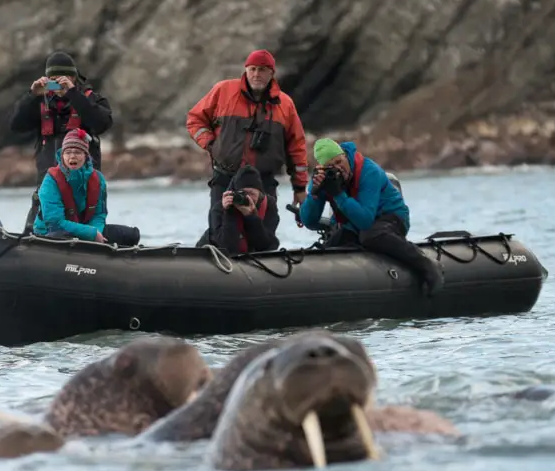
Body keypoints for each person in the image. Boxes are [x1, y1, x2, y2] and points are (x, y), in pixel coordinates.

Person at [186, 49, 309, 237]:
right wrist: (211, 144)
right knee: (219, 233)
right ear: (246, 70)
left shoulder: (285, 105)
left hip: (264, 182)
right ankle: (217, 258)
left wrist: (300, 188)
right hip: (225, 177)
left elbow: (297, 147)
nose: (256, 74)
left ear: (272, 73)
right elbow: (195, 119)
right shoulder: (223, 91)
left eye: (262, 69)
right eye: (252, 69)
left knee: (264, 235)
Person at [298, 138, 444, 296]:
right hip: (354, 225)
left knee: (370, 235)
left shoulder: (368, 171)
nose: (338, 169)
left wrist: (338, 194)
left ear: (346, 156)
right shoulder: (322, 179)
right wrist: (314, 195)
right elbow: (309, 221)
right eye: (330, 167)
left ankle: (426, 264)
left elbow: (365, 220)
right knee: (331, 246)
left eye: (339, 161)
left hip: (391, 217)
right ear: (322, 169)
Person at [10, 51, 113, 232]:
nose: (57, 85)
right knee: (39, 226)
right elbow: (16, 125)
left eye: (62, 79)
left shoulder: (90, 99)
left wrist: (73, 94)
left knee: (88, 222)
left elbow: (102, 123)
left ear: (73, 77)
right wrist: (31, 96)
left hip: (84, 182)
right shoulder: (39, 102)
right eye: (53, 79)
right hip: (48, 182)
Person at [33, 128, 140, 246]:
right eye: (68, 153)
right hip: (52, 232)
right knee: (60, 237)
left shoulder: (98, 179)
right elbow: (55, 222)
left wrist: (96, 232)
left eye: (77, 152)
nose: (72, 157)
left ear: (85, 156)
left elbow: (99, 214)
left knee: (131, 235)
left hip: (85, 230)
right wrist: (90, 233)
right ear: (62, 156)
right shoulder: (50, 180)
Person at [205, 165, 280, 255]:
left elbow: (267, 246)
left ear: (260, 193)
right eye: (243, 193)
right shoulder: (219, 208)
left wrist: (251, 217)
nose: (248, 197)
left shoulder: (269, 206)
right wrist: (229, 212)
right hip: (212, 253)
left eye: (252, 193)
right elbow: (226, 248)